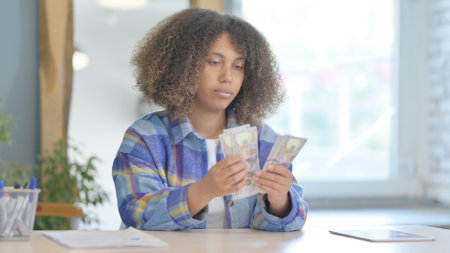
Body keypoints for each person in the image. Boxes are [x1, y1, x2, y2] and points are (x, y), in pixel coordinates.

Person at [112, 7, 308, 231]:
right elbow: (136, 213)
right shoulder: (144, 138)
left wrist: (280, 201)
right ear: (182, 65)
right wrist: (204, 190)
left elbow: (296, 219)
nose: (227, 77)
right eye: (215, 62)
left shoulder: (264, 139)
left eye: (238, 66)